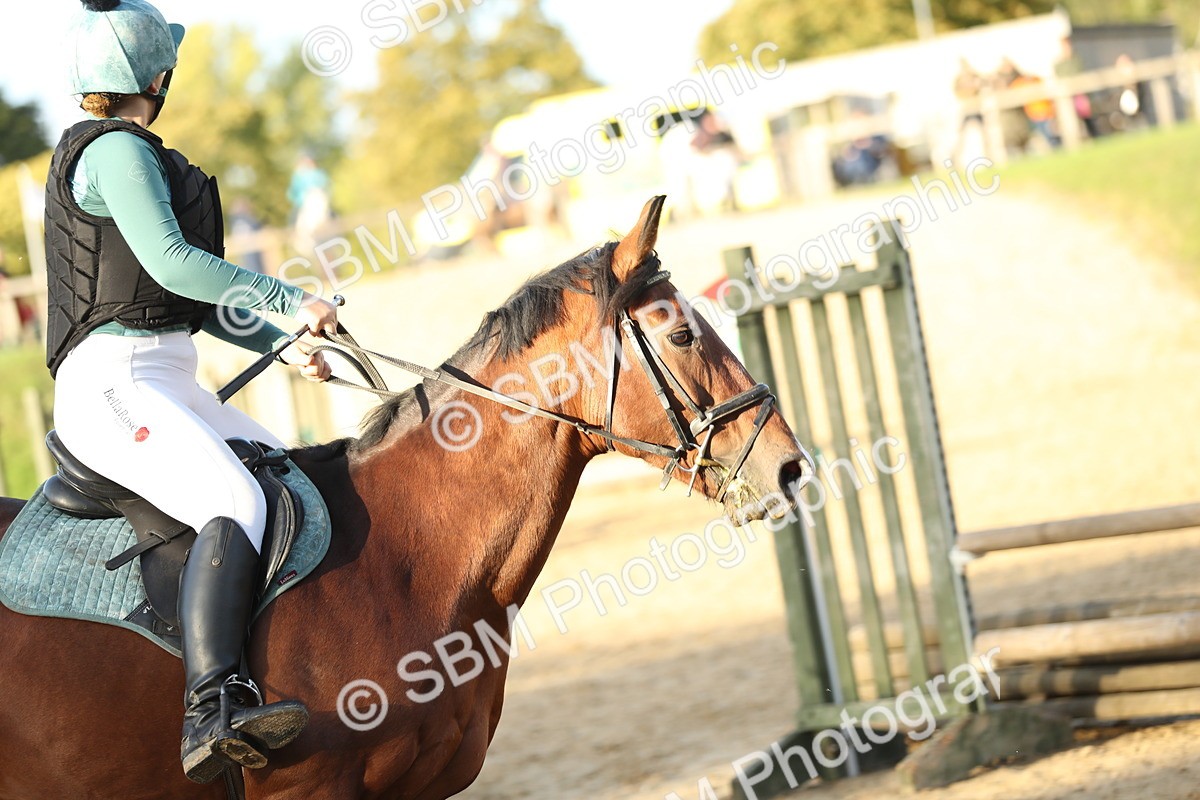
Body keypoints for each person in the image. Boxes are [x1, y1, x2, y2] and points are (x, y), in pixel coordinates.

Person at [50, 0, 340, 784]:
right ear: (159, 76)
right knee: (236, 502)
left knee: (297, 479)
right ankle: (213, 706)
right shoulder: (114, 152)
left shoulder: (144, 158)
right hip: (110, 387)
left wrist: (286, 341)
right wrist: (289, 299)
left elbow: (199, 303)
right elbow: (178, 265)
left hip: (169, 376)